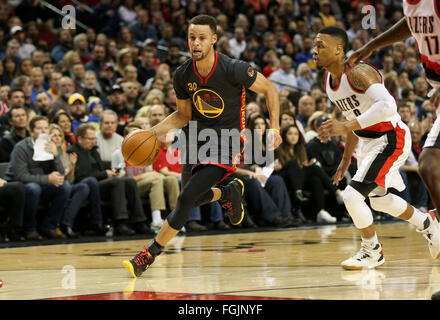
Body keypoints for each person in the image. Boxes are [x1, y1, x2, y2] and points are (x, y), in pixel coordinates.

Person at [123, 14, 282, 278]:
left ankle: (149, 254)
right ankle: (228, 194)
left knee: (185, 198)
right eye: (191, 38)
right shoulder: (183, 74)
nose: (195, 43)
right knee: (192, 198)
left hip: (227, 141)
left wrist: (274, 126)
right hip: (193, 138)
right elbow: (183, 115)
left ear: (214, 39)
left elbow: (271, 90)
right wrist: (150, 132)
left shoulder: (234, 68)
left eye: (202, 38)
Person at [314, 26, 440, 270]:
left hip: (390, 138)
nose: (314, 50)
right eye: (314, 45)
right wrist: (345, 159)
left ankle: (371, 250)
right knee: (379, 201)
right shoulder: (329, 82)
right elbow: (353, 120)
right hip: (368, 141)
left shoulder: (358, 72)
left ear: (339, 49)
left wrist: (346, 125)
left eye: (321, 45)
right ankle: (427, 221)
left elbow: (387, 106)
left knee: (352, 195)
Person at [345, 1, 440, 238]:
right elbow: (411, 24)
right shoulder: (410, 5)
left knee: (428, 163)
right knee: (427, 166)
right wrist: (372, 45)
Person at [3, 116, 70, 240]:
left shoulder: (51, 146)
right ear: (32, 131)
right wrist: (47, 179)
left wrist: (55, 156)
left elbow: (60, 175)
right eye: (39, 128)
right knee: (33, 188)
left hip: (41, 185)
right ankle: (29, 229)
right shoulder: (21, 148)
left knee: (64, 186)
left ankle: (49, 226)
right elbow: (21, 176)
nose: (44, 131)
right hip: (18, 188)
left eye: (46, 128)